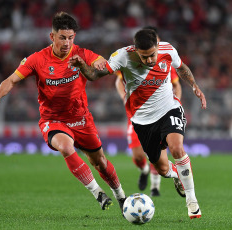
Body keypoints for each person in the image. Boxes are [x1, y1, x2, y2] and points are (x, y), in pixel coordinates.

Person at [0, 12, 126, 212]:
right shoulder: (37, 59)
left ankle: (121, 197)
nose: (67, 43)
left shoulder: (81, 53)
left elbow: (99, 63)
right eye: (62, 37)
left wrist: (94, 63)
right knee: (66, 147)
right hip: (53, 120)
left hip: (81, 118)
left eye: (70, 37)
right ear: (52, 37)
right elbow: (11, 80)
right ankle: (98, 193)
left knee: (100, 162)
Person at [68, 29, 207, 219]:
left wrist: (194, 86)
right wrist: (82, 65)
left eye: (152, 55)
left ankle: (192, 201)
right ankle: (175, 174)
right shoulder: (122, 57)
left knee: (177, 148)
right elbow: (93, 75)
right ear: (135, 50)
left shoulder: (168, 50)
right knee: (163, 169)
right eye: (144, 57)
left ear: (158, 47)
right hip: (142, 121)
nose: (149, 60)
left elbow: (182, 68)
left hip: (169, 109)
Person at [115, 26, 183, 197]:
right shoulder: (130, 62)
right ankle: (144, 170)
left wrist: (174, 104)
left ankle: (155, 187)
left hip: (160, 113)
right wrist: (124, 96)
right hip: (137, 116)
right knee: (138, 156)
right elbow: (118, 80)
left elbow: (176, 85)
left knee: (159, 152)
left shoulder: (166, 62)